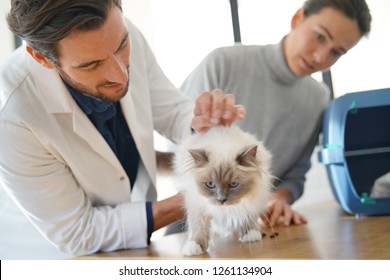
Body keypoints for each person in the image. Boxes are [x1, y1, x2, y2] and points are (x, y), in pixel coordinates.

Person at [0, 0, 245, 258]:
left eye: (121, 46)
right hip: (52, 260)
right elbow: (76, 231)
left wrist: (202, 123)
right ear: (42, 58)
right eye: (91, 65)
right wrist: (196, 199)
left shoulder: (121, 32)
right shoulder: (11, 114)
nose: (120, 75)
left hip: (133, 249)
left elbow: (172, 112)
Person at [181, 0, 372, 227]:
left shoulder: (319, 98)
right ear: (297, 18)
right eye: (320, 36)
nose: (321, 57)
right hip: (194, 222)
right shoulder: (223, 62)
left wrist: (281, 196)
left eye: (336, 52)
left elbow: (296, 174)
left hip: (257, 227)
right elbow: (176, 137)